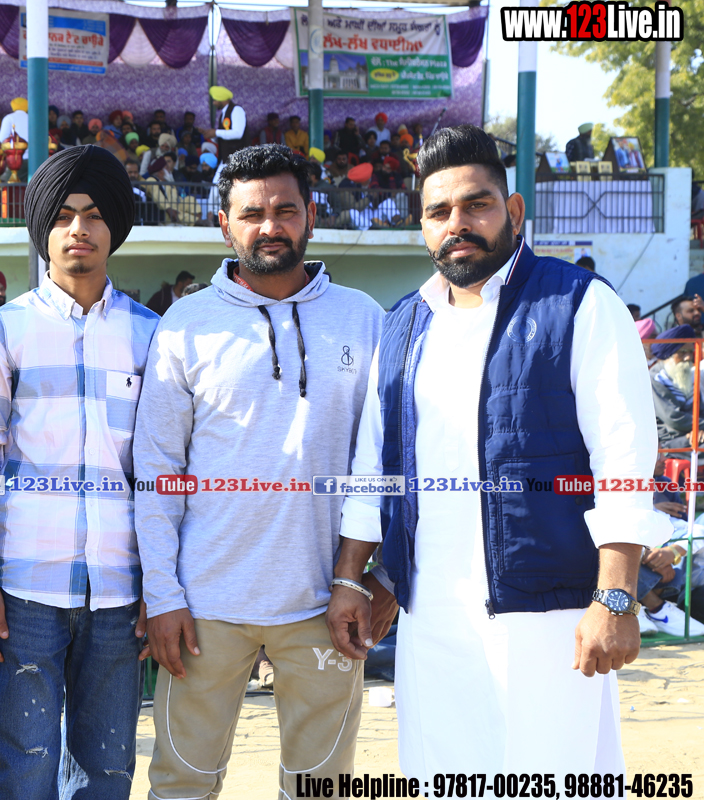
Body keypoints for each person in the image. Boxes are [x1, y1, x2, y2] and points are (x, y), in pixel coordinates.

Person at [330, 124, 670, 780]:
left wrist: (616, 597)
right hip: (431, 619)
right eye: (439, 211)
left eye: (476, 205)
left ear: (512, 210)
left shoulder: (578, 304)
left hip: (548, 616)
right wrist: (361, 576)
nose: (457, 223)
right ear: (422, 227)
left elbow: (624, 458)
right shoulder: (403, 325)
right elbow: (377, 468)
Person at [135, 144, 390, 797]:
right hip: (204, 606)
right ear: (225, 225)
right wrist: (163, 595)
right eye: (252, 214)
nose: (270, 227)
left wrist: (377, 577)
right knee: (181, 785)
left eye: (285, 211)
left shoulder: (364, 319)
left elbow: (390, 459)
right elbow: (158, 471)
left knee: (320, 787)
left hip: (326, 602)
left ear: (311, 216)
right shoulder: (186, 324)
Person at [0, 144, 155, 799]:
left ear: (114, 228)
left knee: (107, 773)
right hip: (24, 592)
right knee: (22, 771)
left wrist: (159, 584)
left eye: (94, 214)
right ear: (43, 229)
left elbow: (162, 471)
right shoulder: (4, 332)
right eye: (64, 215)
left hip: (120, 591)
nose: (79, 228)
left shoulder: (151, 335)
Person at [649, 325, 701, 450]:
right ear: (669, 354)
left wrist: (700, 430)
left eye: (690, 352)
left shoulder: (690, 374)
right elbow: (673, 417)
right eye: (682, 352)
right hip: (671, 439)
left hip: (695, 433)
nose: (688, 357)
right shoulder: (656, 378)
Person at [202, 86, 246, 163]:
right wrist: (211, 135)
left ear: (223, 100)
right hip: (226, 158)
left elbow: (238, 133)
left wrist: (216, 132)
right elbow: (224, 136)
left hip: (237, 158)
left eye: (215, 100)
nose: (213, 103)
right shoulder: (223, 113)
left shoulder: (236, 110)